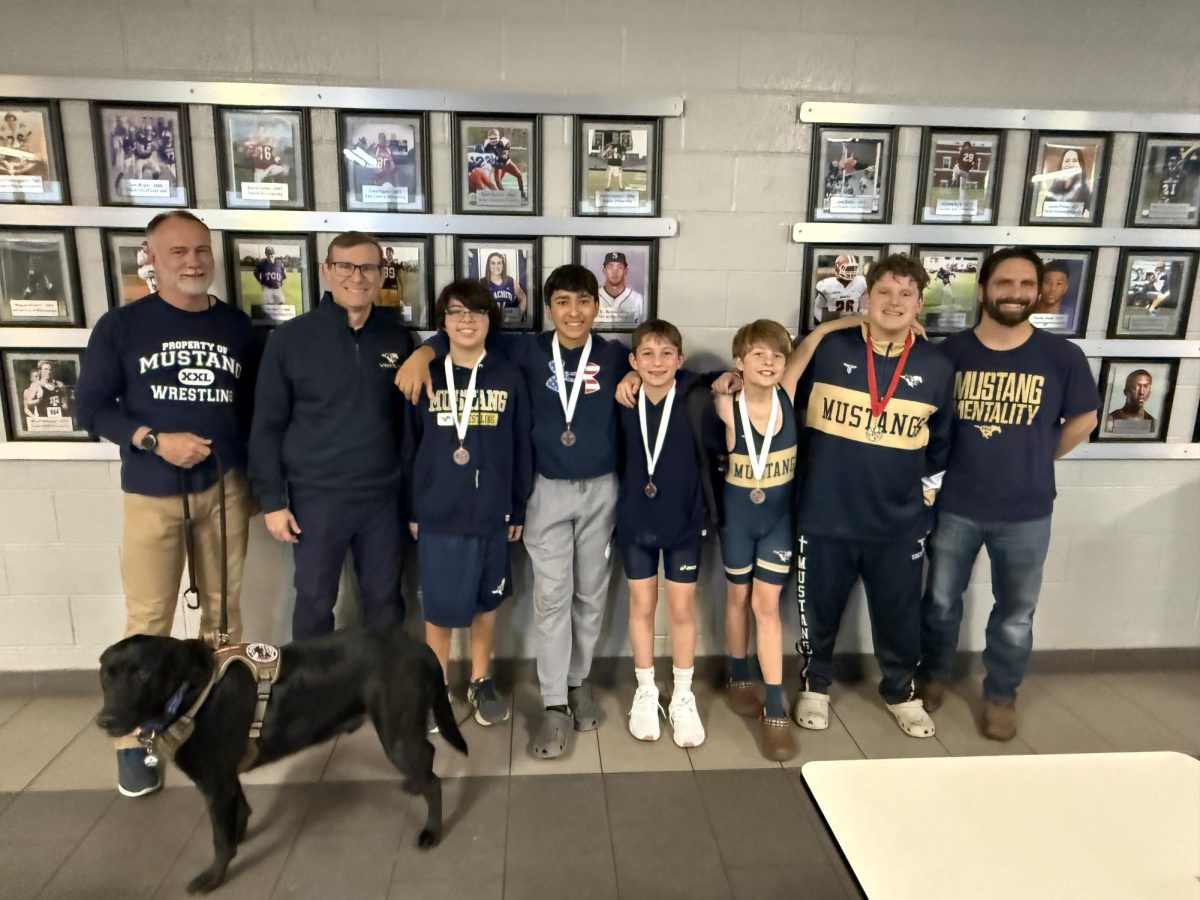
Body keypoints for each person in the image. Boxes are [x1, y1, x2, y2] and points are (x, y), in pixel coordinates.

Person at [396, 264, 629, 759]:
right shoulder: (523, 350)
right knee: (551, 598)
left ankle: (576, 680)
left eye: (583, 301)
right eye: (562, 302)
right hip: (545, 490)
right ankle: (551, 704)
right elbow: (465, 336)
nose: (573, 311)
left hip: (601, 491)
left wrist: (722, 382)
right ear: (548, 308)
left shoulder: (614, 355)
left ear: (596, 306)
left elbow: (665, 368)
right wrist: (422, 350)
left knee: (590, 595)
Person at [75, 210, 258, 798]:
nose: (193, 261)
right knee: (148, 623)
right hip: (152, 492)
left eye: (201, 250)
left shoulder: (236, 326)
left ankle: (218, 725)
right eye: (178, 252)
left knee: (225, 618)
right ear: (150, 258)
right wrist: (155, 439)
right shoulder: (122, 326)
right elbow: (91, 409)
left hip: (224, 488)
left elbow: (256, 410)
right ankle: (133, 741)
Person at [919, 247, 1098, 741]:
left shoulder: (1062, 356)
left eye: (1025, 285)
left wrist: (1040, 456)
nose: (1014, 294)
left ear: (1038, 293)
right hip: (954, 504)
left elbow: (1085, 417)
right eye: (1004, 284)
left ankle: (1001, 695)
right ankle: (934, 675)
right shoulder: (949, 354)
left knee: (1015, 614)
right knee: (939, 602)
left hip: (1026, 511)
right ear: (984, 290)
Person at [791, 254, 954, 740]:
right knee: (818, 609)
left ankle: (901, 690)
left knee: (899, 612)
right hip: (825, 512)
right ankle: (815, 684)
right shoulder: (828, 348)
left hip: (897, 521)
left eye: (907, 293)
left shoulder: (937, 365)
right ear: (866, 298)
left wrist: (923, 490)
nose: (894, 302)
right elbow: (780, 400)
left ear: (920, 304)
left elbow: (942, 442)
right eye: (884, 291)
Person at [248, 231, 414, 640]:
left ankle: (382, 693)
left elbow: (410, 427)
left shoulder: (396, 337)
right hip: (315, 496)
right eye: (345, 266)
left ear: (381, 275)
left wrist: (414, 499)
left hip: (382, 497)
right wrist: (272, 501)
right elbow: (266, 425)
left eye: (368, 268)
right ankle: (315, 699)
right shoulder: (290, 339)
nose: (357, 277)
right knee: (315, 600)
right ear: (326, 271)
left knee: (385, 599)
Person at [402, 279, 531, 726]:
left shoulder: (507, 374)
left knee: (485, 602)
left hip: (492, 511)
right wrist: (413, 508)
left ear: (489, 320)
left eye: (476, 313)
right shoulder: (426, 373)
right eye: (456, 312)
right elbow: (408, 445)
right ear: (443, 322)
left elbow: (519, 446)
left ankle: (480, 680)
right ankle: (434, 686)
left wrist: (517, 505)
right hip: (438, 511)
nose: (466, 321)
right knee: (438, 607)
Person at [618, 320, 715, 748]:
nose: (657, 362)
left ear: (680, 359)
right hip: (636, 519)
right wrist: (628, 379)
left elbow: (714, 378)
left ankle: (683, 695)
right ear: (633, 361)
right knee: (641, 604)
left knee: (681, 609)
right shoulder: (623, 400)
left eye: (666, 354)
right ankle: (645, 690)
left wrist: (724, 376)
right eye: (647, 354)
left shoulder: (696, 395)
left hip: (683, 521)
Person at [713, 320, 801, 761]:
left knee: (766, 607)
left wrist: (856, 320)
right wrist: (719, 384)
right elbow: (688, 386)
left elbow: (818, 338)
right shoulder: (726, 404)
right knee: (737, 598)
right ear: (740, 362)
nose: (769, 362)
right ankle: (738, 671)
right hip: (738, 523)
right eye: (759, 355)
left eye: (777, 356)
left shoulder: (790, 391)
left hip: (777, 522)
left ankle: (773, 706)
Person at [813, 254, 867, 324]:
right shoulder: (826, 285)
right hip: (833, 324)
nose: (850, 272)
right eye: (847, 269)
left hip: (853, 324)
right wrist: (826, 322)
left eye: (853, 268)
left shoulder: (861, 283)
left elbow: (864, 308)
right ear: (837, 268)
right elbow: (818, 308)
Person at [596, 251, 644, 329]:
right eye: (610, 267)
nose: (615, 271)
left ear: (626, 271)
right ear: (604, 270)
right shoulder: (593, 296)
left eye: (620, 267)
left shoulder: (637, 299)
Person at [1042, 148, 1091, 212]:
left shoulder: (1086, 192)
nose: (1070, 164)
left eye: (1074, 161)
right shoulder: (1053, 189)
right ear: (1061, 165)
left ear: (1081, 166)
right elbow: (1044, 212)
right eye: (1067, 161)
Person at [483, 128, 527, 199]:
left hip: (507, 163)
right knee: (497, 182)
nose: (493, 140)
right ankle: (504, 197)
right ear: (488, 138)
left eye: (494, 138)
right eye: (491, 138)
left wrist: (502, 149)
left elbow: (505, 153)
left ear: (498, 137)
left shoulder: (503, 141)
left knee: (519, 175)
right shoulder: (487, 145)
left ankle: (522, 193)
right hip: (498, 166)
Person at [481, 251, 527, 318]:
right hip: (491, 325)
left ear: (503, 265)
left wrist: (518, 317)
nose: (496, 266)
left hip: (508, 324)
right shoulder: (482, 283)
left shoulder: (511, 282)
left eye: (499, 263)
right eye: (493, 263)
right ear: (488, 266)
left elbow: (523, 298)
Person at [253, 246, 286, 316]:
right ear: (266, 254)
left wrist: (278, 282)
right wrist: (260, 281)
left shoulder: (280, 265)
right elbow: (255, 272)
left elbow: (284, 275)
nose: (270, 255)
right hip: (267, 288)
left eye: (272, 254)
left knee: (281, 303)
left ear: (274, 254)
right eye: (268, 254)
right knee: (269, 307)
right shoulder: (262, 264)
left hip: (278, 288)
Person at [379, 246, 407, 310]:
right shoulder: (383, 262)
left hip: (393, 288)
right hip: (384, 288)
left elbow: (399, 276)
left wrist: (402, 286)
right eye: (387, 253)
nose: (388, 254)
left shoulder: (395, 264)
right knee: (384, 308)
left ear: (392, 253)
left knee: (392, 307)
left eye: (389, 252)